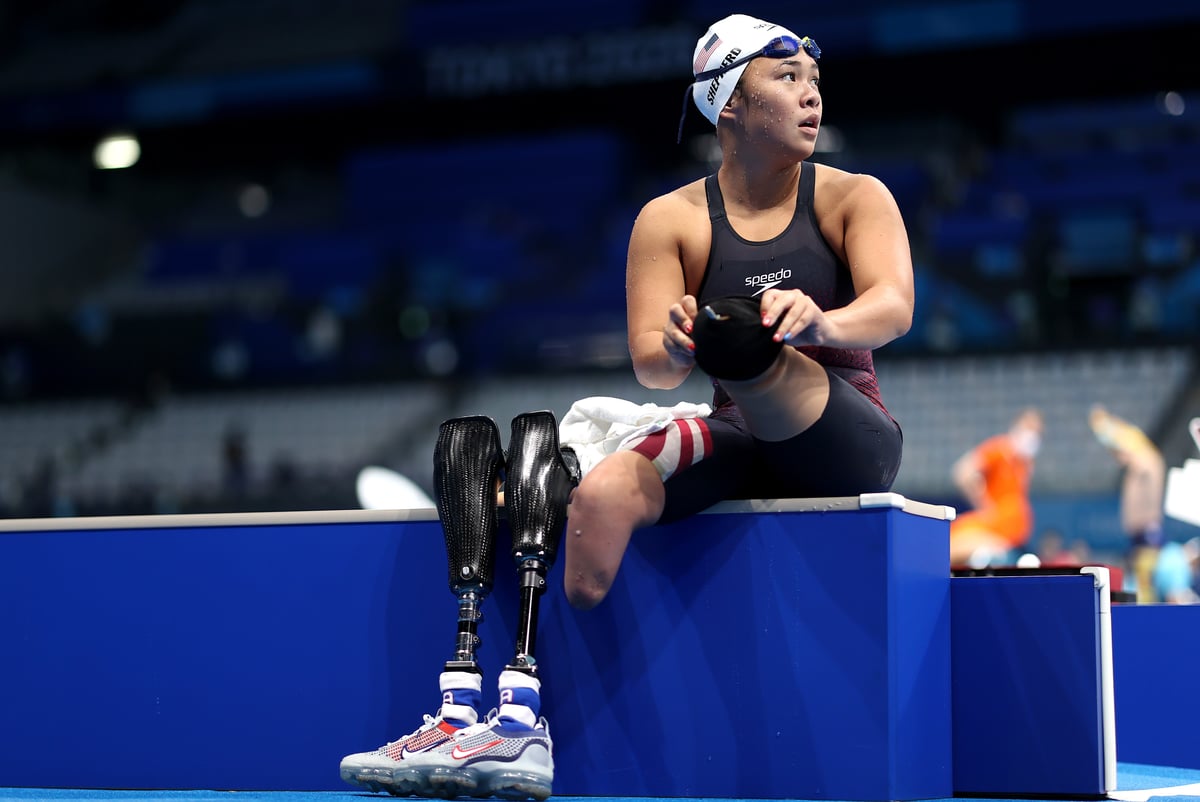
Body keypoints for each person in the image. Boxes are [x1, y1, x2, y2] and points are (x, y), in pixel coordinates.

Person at [560, 12, 913, 612]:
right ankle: (545, 648)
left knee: (747, 339)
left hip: (851, 442)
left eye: (815, 80)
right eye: (787, 77)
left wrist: (823, 323)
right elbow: (652, 365)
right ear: (730, 106)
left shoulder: (854, 195)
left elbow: (895, 306)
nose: (811, 95)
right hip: (739, 439)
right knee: (615, 483)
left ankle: (750, 351)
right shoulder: (670, 219)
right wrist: (675, 346)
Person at [1088, 404, 1166, 602]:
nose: (1118, 459)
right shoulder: (1138, 465)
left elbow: (1130, 442)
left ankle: (1148, 611)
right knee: (1138, 580)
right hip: (1140, 533)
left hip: (1147, 531)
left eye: (1119, 453)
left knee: (1146, 581)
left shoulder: (1147, 461)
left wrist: (1104, 427)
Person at [948, 407, 1044, 567]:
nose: (1033, 436)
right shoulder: (1000, 449)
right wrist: (983, 503)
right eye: (1029, 428)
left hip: (1013, 536)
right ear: (1016, 427)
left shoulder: (1025, 463)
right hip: (994, 528)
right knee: (956, 540)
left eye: (1038, 432)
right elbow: (963, 472)